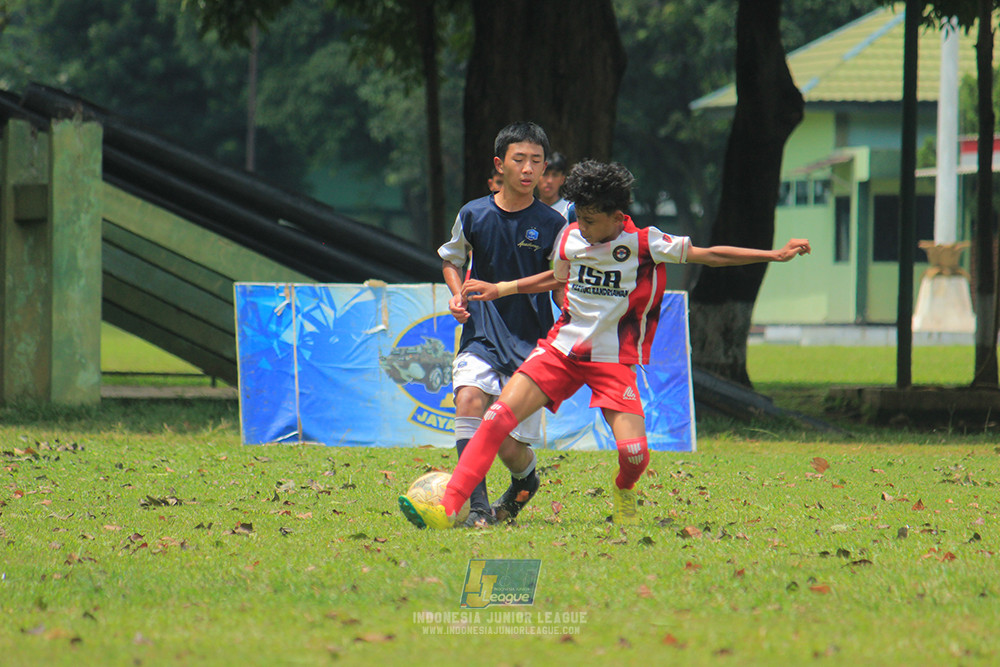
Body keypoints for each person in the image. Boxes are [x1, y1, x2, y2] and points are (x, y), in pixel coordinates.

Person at [400, 160, 811, 529]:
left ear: (617, 217)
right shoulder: (571, 237)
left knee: (635, 454)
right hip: (561, 350)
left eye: (592, 221)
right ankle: (451, 504)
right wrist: (502, 287)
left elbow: (710, 255)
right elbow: (557, 278)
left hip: (613, 362)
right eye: (578, 217)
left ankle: (624, 489)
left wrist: (773, 255)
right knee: (496, 418)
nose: (582, 227)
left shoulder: (647, 242)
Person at [398, 122, 567, 529]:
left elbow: (559, 279)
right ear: (500, 164)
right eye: (519, 160)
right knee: (469, 401)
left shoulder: (552, 223)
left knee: (508, 444)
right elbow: (452, 260)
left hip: (529, 339)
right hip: (481, 332)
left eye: (537, 162)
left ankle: (526, 478)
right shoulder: (473, 213)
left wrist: (569, 314)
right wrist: (457, 295)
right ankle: (475, 509)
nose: (528, 170)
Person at [537, 151, 571, 219]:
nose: (549, 181)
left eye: (555, 175)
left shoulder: (569, 210)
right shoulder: (527, 210)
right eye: (545, 174)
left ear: (562, 179)